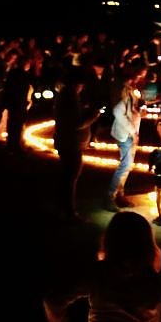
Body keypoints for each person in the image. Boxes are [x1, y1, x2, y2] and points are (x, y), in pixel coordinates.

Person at [54, 68, 102, 223]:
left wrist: (84, 110)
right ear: (77, 83)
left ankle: (64, 208)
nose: (82, 87)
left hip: (67, 141)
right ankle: (69, 212)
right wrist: (93, 115)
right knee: (71, 176)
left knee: (68, 176)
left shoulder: (66, 94)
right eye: (82, 84)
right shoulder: (70, 96)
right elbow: (76, 123)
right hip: (71, 142)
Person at [106, 65, 146, 212]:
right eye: (138, 76)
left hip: (130, 133)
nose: (139, 79)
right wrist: (133, 132)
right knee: (125, 165)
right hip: (126, 134)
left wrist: (139, 113)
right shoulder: (123, 91)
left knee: (127, 166)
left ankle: (119, 195)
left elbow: (130, 110)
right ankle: (110, 196)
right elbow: (118, 112)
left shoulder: (130, 92)